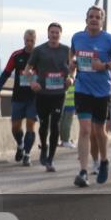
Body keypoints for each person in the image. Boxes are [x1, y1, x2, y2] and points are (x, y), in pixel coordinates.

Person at [69, 6, 111, 187]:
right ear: (86, 19)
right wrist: (72, 66)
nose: (94, 19)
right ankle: (83, 171)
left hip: (101, 92)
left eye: (97, 17)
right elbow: (72, 56)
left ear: (102, 21)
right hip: (82, 89)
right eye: (91, 17)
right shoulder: (77, 37)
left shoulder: (109, 40)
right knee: (85, 130)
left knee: (99, 131)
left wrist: (104, 66)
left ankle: (104, 161)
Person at [27, 22, 71, 172]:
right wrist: (32, 82)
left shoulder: (67, 50)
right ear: (48, 34)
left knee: (55, 124)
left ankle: (50, 159)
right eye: (52, 32)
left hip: (59, 94)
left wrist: (71, 78)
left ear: (60, 34)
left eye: (57, 32)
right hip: (43, 93)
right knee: (44, 125)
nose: (54, 35)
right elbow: (27, 70)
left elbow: (73, 68)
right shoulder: (39, 50)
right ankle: (44, 148)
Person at [0, 29, 37, 165]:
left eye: (32, 41)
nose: (29, 43)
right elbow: (6, 73)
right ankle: (20, 145)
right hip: (18, 97)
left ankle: (27, 155)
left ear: (35, 41)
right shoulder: (16, 55)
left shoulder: (40, 55)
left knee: (30, 126)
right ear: (24, 40)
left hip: (34, 98)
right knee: (15, 127)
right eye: (27, 40)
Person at [59, 82, 77, 149]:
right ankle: (65, 141)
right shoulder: (72, 77)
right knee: (67, 123)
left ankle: (63, 141)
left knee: (61, 122)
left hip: (61, 101)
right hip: (70, 102)